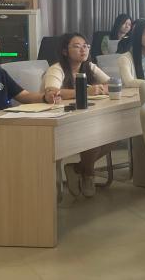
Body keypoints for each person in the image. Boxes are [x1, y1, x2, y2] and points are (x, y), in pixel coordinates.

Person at [43, 33, 112, 197]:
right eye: (77, 46)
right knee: (93, 134)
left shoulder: (89, 66)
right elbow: (52, 92)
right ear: (65, 51)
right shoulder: (56, 69)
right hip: (59, 120)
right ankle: (88, 173)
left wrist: (101, 88)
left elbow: (111, 83)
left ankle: (79, 168)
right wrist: (84, 91)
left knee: (113, 132)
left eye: (86, 46)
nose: (83, 49)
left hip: (84, 115)